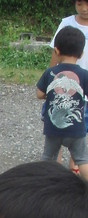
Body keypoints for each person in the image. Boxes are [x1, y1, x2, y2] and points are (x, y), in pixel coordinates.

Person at [36, 26, 88, 180]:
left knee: (48, 159)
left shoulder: (50, 73)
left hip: (53, 128)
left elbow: (39, 94)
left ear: (56, 51)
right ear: (81, 54)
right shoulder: (84, 74)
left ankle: (44, 188)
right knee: (82, 160)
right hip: (76, 129)